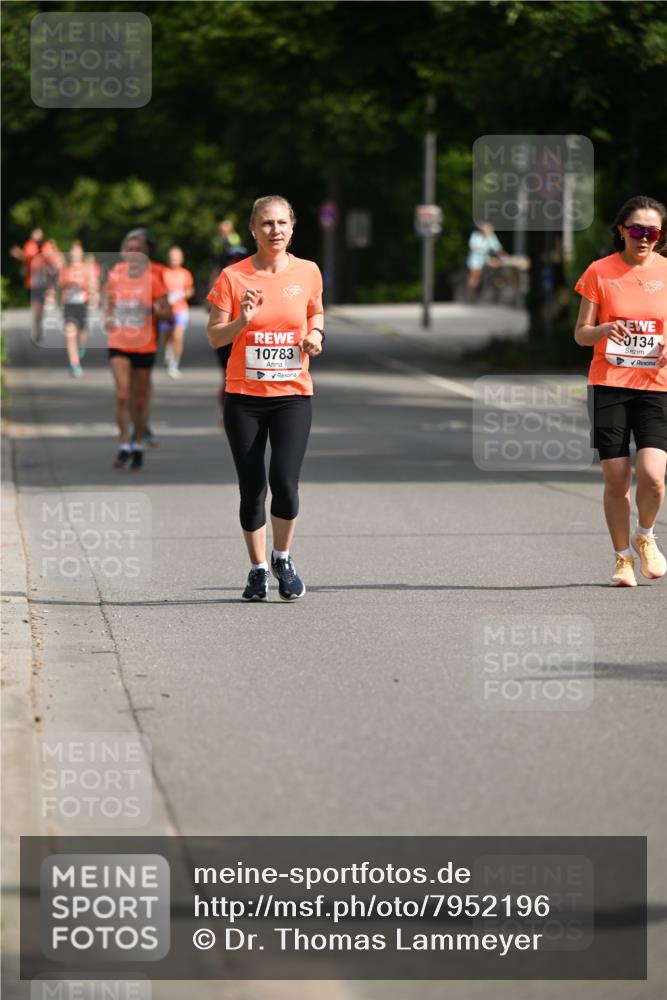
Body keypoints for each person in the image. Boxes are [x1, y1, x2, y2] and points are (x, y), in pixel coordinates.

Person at [207, 195, 324, 601]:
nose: (275, 230)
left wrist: (316, 335)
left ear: (292, 228)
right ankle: (257, 570)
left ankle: (283, 558)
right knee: (252, 487)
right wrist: (243, 321)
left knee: (286, 484)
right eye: (267, 223)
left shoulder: (308, 271)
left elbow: (315, 311)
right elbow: (214, 335)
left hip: (293, 395)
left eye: (282, 223)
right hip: (244, 397)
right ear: (253, 230)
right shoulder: (232, 277)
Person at [574, 194, 667, 587]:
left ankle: (645, 535)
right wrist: (604, 330)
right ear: (621, 231)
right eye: (637, 230)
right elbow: (581, 335)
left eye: (653, 232)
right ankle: (622, 558)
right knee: (616, 476)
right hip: (609, 383)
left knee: (652, 475)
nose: (644, 238)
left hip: (656, 386)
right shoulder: (599, 271)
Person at [104, 229, 170, 470]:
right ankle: (124, 445)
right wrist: (108, 318)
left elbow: (168, 312)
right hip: (119, 341)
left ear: (146, 253)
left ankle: (139, 442)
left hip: (145, 344)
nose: (132, 254)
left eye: (137, 250)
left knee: (140, 399)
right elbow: (109, 304)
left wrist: (149, 311)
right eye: (128, 249)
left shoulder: (152, 278)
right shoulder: (115, 274)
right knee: (123, 394)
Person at [58, 241, 99, 377]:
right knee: (69, 333)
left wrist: (83, 285)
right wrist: (67, 284)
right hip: (69, 305)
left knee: (81, 334)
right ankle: (74, 364)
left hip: (82, 304)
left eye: (76, 251)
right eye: (72, 251)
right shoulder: (65, 269)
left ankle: (81, 346)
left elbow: (94, 287)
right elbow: (59, 286)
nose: (73, 254)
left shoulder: (87, 268)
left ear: (81, 253)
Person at [160, 245, 195, 378]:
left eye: (176, 258)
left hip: (181, 309)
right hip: (166, 310)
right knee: (167, 338)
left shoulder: (185, 273)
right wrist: (166, 297)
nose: (174, 260)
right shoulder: (163, 272)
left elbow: (190, 290)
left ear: (181, 259)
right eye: (171, 257)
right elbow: (157, 291)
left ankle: (174, 364)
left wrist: (182, 294)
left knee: (177, 337)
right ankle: (168, 352)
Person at [466, 222, 504, 301]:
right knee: (475, 275)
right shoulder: (476, 236)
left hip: (486, 258)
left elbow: (498, 248)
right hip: (476, 259)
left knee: (497, 265)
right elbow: (473, 247)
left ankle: (497, 282)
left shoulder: (491, 237)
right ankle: (472, 294)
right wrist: (483, 249)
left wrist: (503, 256)